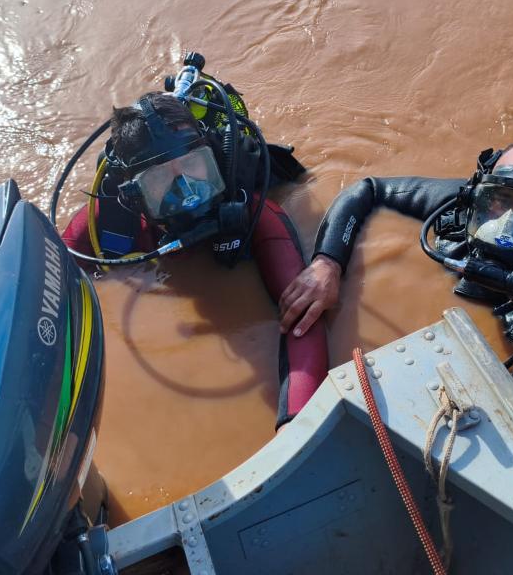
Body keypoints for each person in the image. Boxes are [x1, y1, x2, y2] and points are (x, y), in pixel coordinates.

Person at [278, 128, 513, 555]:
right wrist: (327, 263)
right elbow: (368, 189)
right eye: (501, 202)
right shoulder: (468, 209)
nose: (508, 225)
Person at [61, 91, 328, 428]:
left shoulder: (250, 208)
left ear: (212, 158)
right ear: (133, 194)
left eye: (192, 164)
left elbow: (304, 315)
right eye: (161, 177)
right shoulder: (103, 225)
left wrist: (298, 428)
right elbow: (51, 303)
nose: (187, 190)